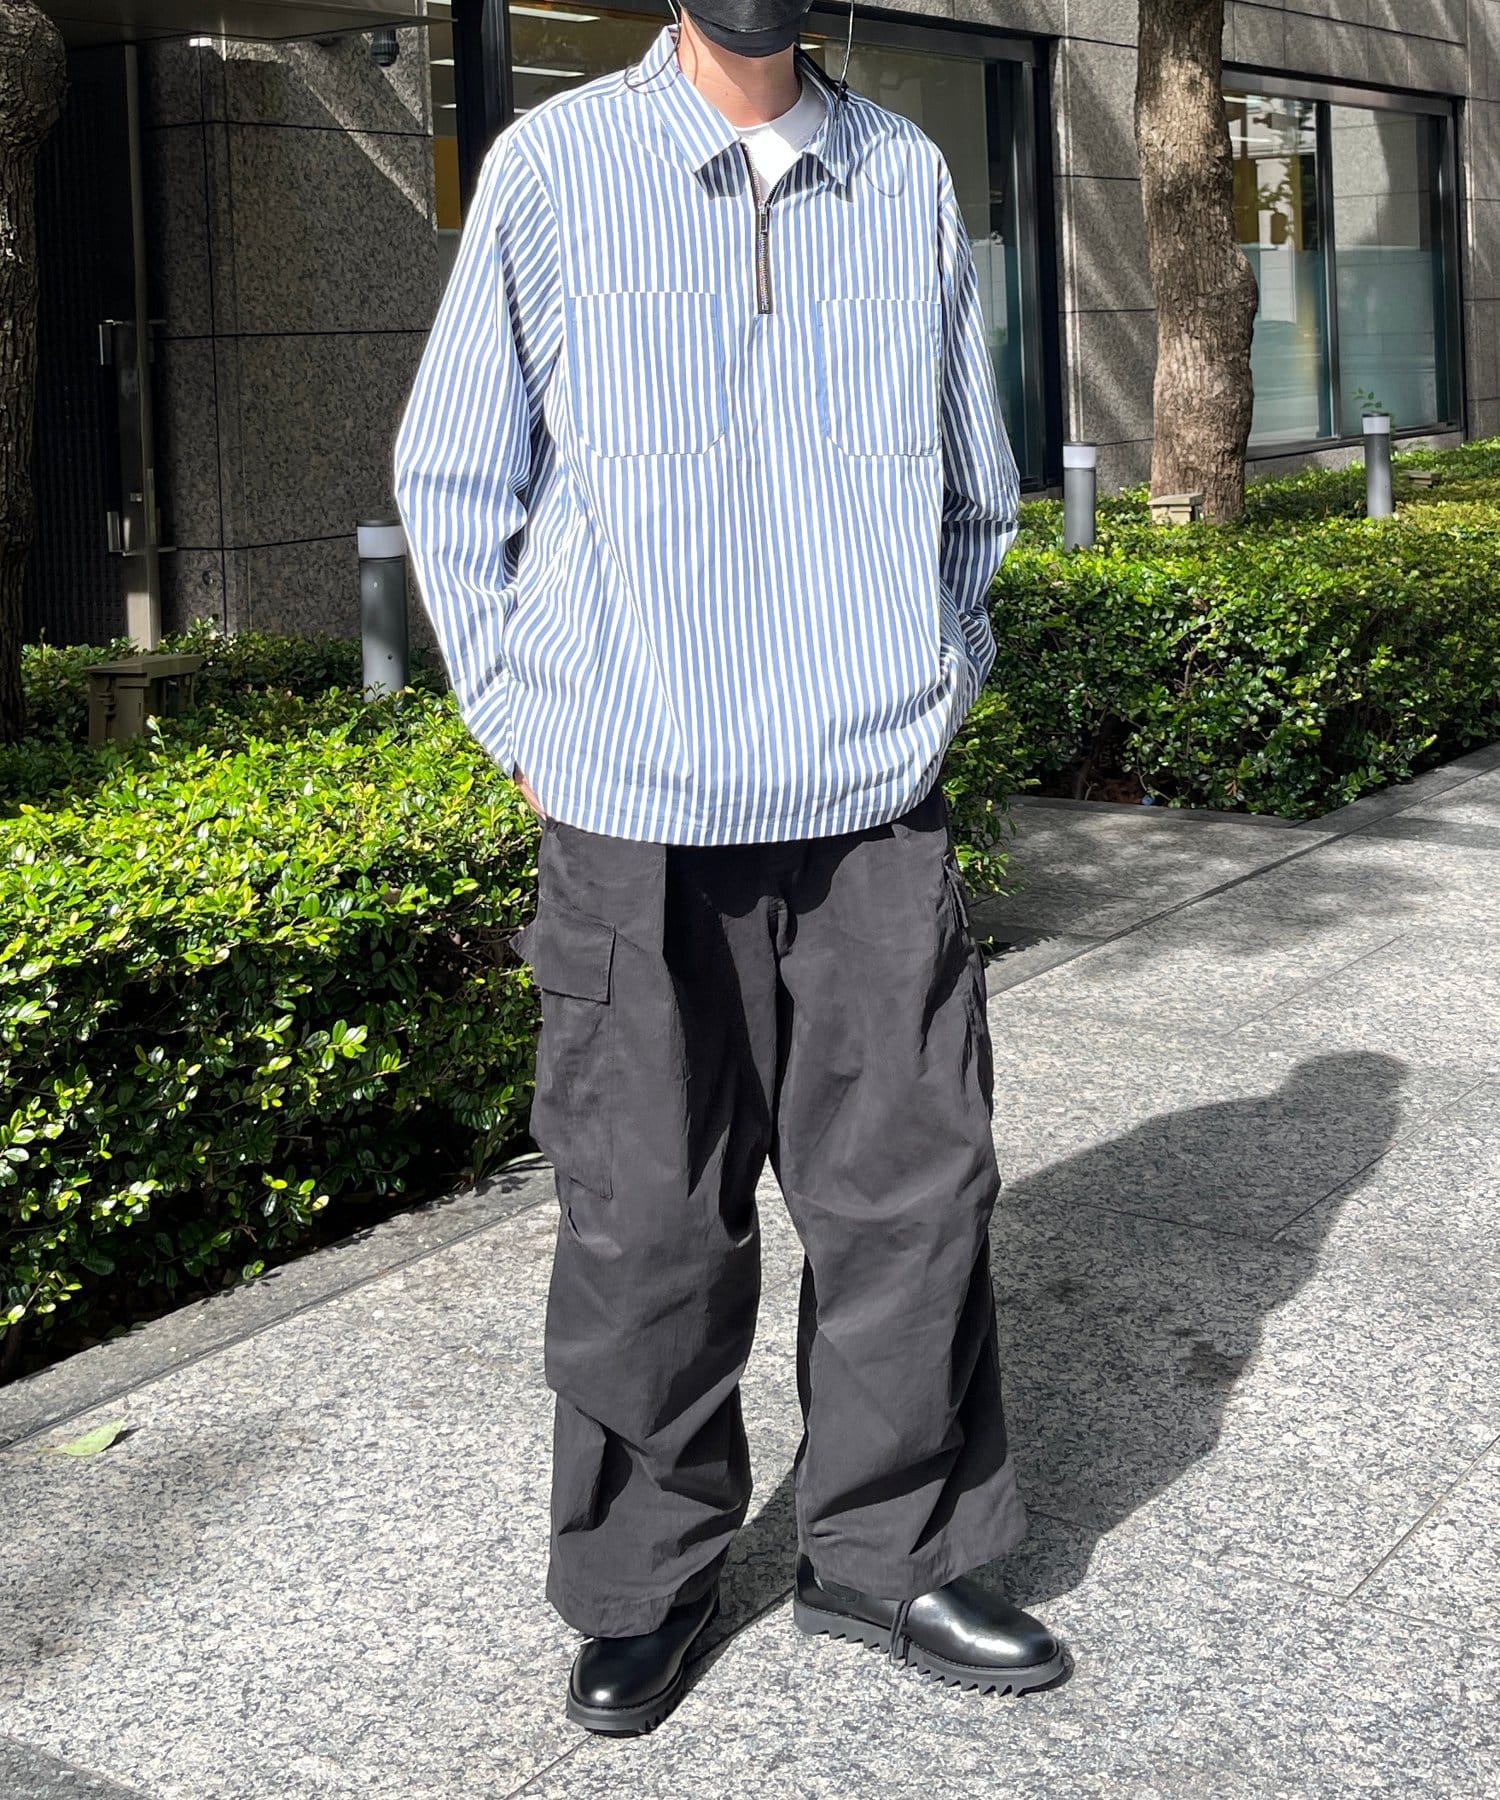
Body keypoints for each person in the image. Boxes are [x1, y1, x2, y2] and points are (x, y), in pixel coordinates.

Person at [392, 0, 1064, 1737]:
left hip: (869, 805)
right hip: (634, 805)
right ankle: (644, 1581)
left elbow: (974, 485)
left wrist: (932, 683)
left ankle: (891, 1554)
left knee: (913, 1195)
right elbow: (455, 470)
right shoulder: (552, 169)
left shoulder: (905, 175)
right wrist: (525, 716)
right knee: (642, 1216)